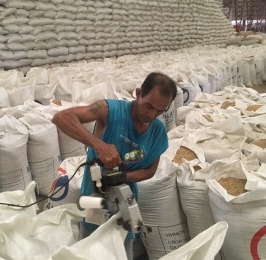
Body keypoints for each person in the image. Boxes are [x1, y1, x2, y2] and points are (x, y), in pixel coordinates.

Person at [52, 72, 177, 259]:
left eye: (160, 111)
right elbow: (62, 117)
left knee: (121, 250)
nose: (152, 115)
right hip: (94, 197)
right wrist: (98, 145)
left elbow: (150, 170)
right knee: (89, 249)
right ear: (138, 93)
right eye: (148, 106)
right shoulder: (109, 110)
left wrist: (123, 178)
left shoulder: (157, 131)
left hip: (126, 202)